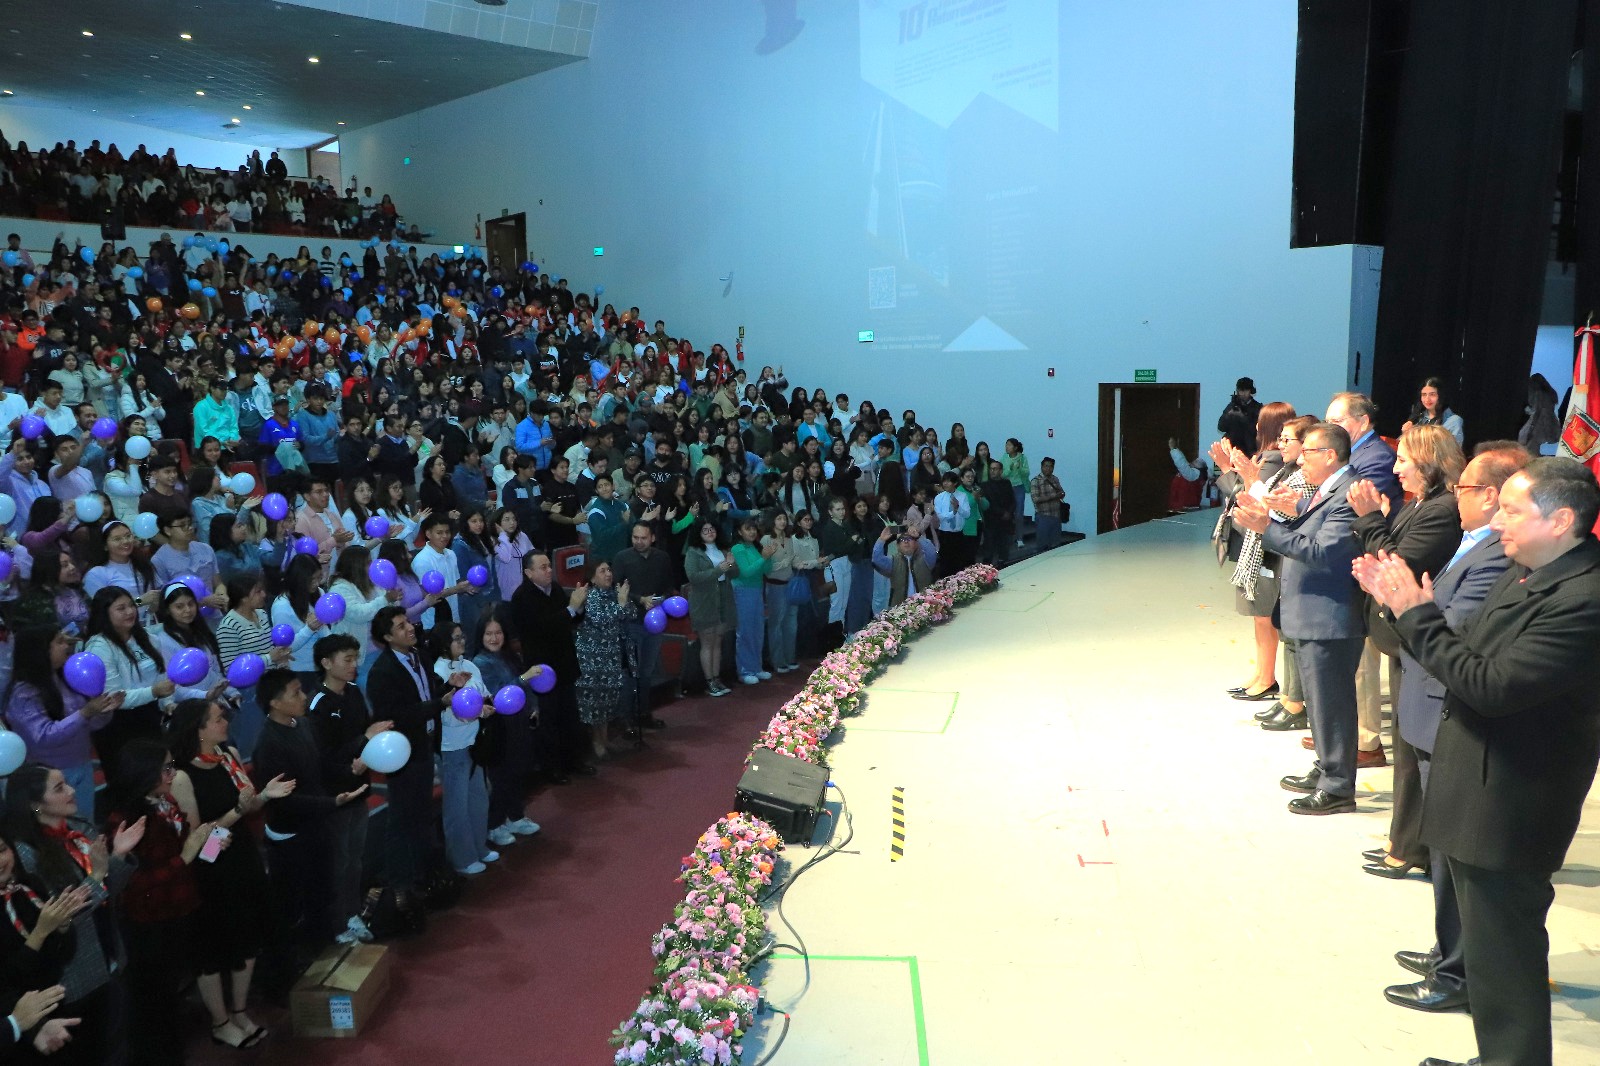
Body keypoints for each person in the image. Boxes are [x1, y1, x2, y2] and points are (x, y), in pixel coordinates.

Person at [1358, 457, 1600, 1066]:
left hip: (1512, 800)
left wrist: (1417, 613)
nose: (1498, 522)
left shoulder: (1582, 599)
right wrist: (1405, 608)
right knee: (1491, 960)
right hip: (1480, 786)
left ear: (1562, 519)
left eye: (1513, 511)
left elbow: (1491, 686)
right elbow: (1463, 651)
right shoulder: (1527, 573)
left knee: (1507, 960)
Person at [1367, 445, 1521, 1019]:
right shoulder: (1476, 547)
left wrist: (1406, 606)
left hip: (1447, 708)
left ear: (1487, 495)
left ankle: (1458, 969)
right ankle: (1449, 952)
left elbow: (1453, 629)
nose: (1455, 496)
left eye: (1464, 490)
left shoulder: (1495, 559)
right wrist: (1407, 603)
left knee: (1455, 856)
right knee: (1445, 855)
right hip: (1429, 703)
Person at [1347, 424, 1464, 875]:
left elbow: (1397, 562)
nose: (1394, 469)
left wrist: (1370, 520)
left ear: (1430, 465)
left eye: (1403, 462)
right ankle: (1405, 839)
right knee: (1407, 746)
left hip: (1419, 635)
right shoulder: (1419, 504)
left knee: (1415, 750)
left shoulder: (1440, 510)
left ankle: (1411, 848)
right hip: (1401, 636)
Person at [1231, 422, 1365, 815]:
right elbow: (1308, 531)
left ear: (1329, 455)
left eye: (1307, 451)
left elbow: (1324, 552)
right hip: (1312, 611)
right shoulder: (1328, 489)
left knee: (1332, 703)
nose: (1300, 457)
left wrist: (1267, 528)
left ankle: (1339, 785)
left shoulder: (1347, 493)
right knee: (1320, 701)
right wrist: (1285, 513)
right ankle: (1326, 766)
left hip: (1329, 614)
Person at [166, 699, 289, 1049]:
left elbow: (247, 804)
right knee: (215, 947)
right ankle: (219, 1021)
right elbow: (196, 840)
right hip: (210, 866)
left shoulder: (228, 754)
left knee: (248, 937)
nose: (225, 724)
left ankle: (239, 1009)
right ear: (198, 729)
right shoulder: (181, 777)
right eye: (218, 719)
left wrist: (264, 795)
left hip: (241, 854)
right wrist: (236, 812)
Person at [3, 763, 142, 1066]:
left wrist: (117, 856)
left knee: (118, 1045)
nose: (71, 791)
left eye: (66, 784)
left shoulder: (79, 829)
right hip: (75, 974)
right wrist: (99, 874)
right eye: (59, 788)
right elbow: (62, 914)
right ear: (34, 803)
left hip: (108, 954)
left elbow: (108, 892)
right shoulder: (27, 853)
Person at [249, 670, 367, 989]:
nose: (303, 698)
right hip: (291, 834)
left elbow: (320, 767)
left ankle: (328, 958)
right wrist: (332, 803)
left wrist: (347, 771)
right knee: (295, 905)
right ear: (274, 703)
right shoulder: (269, 744)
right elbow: (285, 801)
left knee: (322, 892)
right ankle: (300, 974)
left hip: (317, 823)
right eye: (296, 693)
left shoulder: (303, 725)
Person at [101, 737, 206, 1066]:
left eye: (172, 766)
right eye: (165, 768)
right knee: (152, 1004)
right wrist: (185, 858)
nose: (171, 774)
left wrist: (212, 844)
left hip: (178, 910)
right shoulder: (126, 819)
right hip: (148, 924)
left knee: (169, 996)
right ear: (143, 773)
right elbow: (133, 883)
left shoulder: (165, 801)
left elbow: (185, 851)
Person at [364, 607, 466, 919]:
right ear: (386, 637)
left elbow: (429, 686)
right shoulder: (382, 672)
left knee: (421, 815)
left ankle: (423, 877)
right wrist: (440, 702)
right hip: (402, 753)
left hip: (424, 746)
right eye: (400, 626)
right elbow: (397, 716)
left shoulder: (417, 655)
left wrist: (447, 683)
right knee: (401, 821)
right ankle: (399, 885)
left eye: (407, 622)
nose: (409, 628)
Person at [1211, 403, 1299, 702]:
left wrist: (1227, 471)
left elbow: (1247, 496)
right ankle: (1262, 674)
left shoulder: (1273, 460)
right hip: (1255, 544)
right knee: (1259, 615)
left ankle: (1266, 677)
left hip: (1263, 547)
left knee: (1263, 614)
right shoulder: (1269, 458)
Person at [307, 633, 391, 945]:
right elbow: (322, 756)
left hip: (360, 787)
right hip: (335, 795)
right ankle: (337, 924)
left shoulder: (354, 692)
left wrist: (366, 751)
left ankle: (353, 912)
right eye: (348, 659)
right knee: (338, 861)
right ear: (326, 664)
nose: (355, 665)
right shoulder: (317, 704)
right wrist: (360, 747)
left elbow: (365, 733)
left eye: (356, 658)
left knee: (355, 858)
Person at [4, 626, 121, 807]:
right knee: (62, 830)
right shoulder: (23, 693)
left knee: (85, 826)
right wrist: (85, 713)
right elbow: (44, 736)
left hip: (82, 764)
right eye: (59, 641)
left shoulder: (66, 679)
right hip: (49, 777)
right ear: (40, 651)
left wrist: (104, 710)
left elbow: (90, 724)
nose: (67, 645)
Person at [509, 553, 595, 783]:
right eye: (543, 567)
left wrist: (578, 607)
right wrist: (570, 610)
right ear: (528, 573)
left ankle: (574, 760)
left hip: (564, 662)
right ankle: (552, 768)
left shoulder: (555, 589)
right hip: (543, 669)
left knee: (569, 716)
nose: (549, 570)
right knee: (549, 719)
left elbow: (570, 621)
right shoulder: (522, 598)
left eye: (549, 566)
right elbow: (541, 629)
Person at [429, 624, 498, 876]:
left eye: (462, 636)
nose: (462, 641)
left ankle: (478, 846)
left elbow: (483, 695)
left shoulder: (469, 666)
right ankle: (461, 857)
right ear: (443, 643)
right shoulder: (437, 671)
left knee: (479, 797)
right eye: (455, 637)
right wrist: (471, 711)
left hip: (475, 741)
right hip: (452, 745)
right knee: (457, 804)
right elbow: (445, 711)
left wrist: (486, 708)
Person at [83, 587, 175, 773]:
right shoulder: (99, 646)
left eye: (132, 606)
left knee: (159, 775)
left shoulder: (145, 637)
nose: (130, 611)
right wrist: (153, 692)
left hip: (150, 716)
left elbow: (161, 674)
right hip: (118, 724)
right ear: (104, 614)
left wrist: (167, 703)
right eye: (121, 608)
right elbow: (112, 697)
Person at [470, 609, 542, 843]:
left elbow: (525, 688)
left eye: (498, 633)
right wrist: (524, 678)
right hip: (498, 727)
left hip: (519, 723)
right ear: (480, 636)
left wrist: (533, 706)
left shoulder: (509, 656)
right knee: (501, 777)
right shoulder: (480, 663)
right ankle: (495, 824)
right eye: (489, 633)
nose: (494, 638)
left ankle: (515, 816)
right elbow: (500, 694)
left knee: (518, 770)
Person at [609, 522, 675, 728]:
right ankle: (626, 718)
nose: (639, 541)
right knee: (630, 672)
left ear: (652, 538)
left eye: (643, 538)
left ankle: (644, 713)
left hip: (655, 622)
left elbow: (669, 586)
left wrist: (662, 598)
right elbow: (614, 588)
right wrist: (640, 599)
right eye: (635, 538)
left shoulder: (662, 558)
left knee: (647, 671)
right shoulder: (622, 558)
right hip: (631, 622)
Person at [574, 559, 637, 755]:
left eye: (609, 569)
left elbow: (632, 613)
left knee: (608, 700)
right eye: (602, 571)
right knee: (594, 703)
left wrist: (623, 601)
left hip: (612, 656)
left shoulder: (614, 594)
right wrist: (621, 604)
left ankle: (605, 739)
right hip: (592, 659)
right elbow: (601, 620)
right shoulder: (590, 596)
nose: (608, 574)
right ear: (592, 578)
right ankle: (596, 743)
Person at [730, 518, 775, 684]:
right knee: (745, 631)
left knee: (758, 630)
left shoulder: (755, 547)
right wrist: (763, 558)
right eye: (747, 529)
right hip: (743, 591)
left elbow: (767, 570)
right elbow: (746, 572)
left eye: (754, 529)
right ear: (740, 532)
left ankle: (757, 667)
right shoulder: (737, 548)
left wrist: (768, 558)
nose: (752, 532)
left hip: (757, 591)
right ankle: (745, 670)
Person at [760, 511, 800, 675]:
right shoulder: (766, 540)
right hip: (775, 586)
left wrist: (805, 563)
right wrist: (784, 563)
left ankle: (790, 657)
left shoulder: (790, 539)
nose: (782, 521)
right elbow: (764, 567)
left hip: (790, 584)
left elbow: (794, 560)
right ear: (772, 521)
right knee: (776, 624)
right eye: (779, 518)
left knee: (791, 623)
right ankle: (777, 660)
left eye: (784, 518)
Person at [871, 527, 936, 607]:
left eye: (910, 538)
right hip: (901, 610)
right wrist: (881, 540)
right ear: (897, 545)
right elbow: (876, 558)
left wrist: (919, 537)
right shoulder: (892, 561)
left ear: (916, 543)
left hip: (925, 605)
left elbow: (932, 552)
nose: (906, 541)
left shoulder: (926, 559)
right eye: (902, 539)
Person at [1403, 376, 1465, 446]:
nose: (1427, 399)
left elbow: (1454, 451)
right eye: (1424, 395)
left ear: (1441, 396)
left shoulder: (1454, 421)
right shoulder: (1418, 418)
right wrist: (1406, 433)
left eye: (1432, 395)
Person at [1217, 376, 1263, 456]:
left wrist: (1243, 418)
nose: (1243, 393)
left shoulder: (1258, 408)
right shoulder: (1232, 406)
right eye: (1241, 390)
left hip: (1250, 450)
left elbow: (1260, 431)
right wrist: (1228, 416)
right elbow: (1221, 427)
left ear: (1250, 391)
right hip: (1232, 450)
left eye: (1246, 390)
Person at [1029, 457, 1065, 552]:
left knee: (1056, 545)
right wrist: (1053, 496)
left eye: (1051, 466)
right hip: (1043, 516)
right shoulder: (1035, 481)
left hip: (1056, 515)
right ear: (1041, 467)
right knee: (1043, 546)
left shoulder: (1055, 479)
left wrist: (1062, 494)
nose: (1048, 468)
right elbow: (1035, 499)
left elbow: (1061, 492)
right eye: (1046, 466)